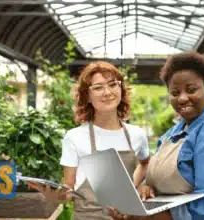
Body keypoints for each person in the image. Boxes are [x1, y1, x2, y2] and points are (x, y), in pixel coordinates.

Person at [108, 51, 204, 220]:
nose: (182, 98)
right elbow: (160, 178)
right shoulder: (174, 133)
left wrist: (148, 217)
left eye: (191, 90)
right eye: (174, 93)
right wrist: (146, 189)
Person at [27, 61, 150, 220]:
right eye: (98, 87)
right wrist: (53, 195)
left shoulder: (137, 134)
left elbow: (145, 163)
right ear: (88, 97)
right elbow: (69, 192)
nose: (107, 92)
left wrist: (137, 186)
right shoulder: (75, 137)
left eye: (113, 84)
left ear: (121, 89)